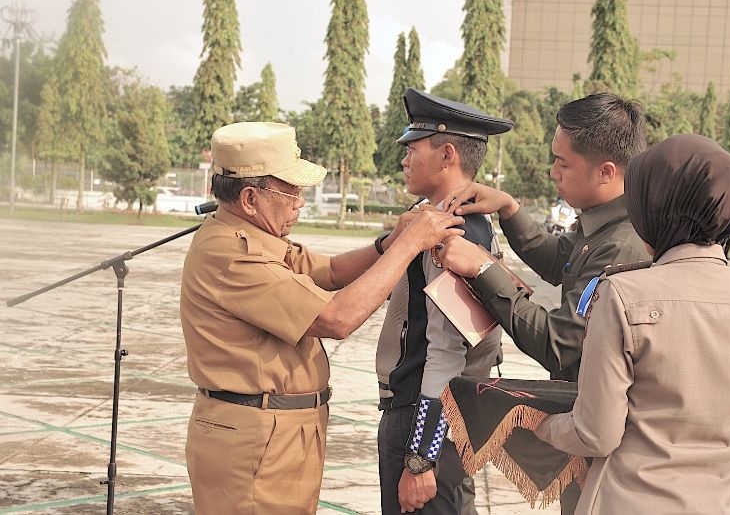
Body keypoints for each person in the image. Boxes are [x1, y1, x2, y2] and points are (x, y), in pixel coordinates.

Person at [180, 122, 464, 515]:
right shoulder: (233, 253)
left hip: (278, 432)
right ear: (249, 197)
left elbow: (328, 272)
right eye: (291, 190)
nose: (300, 202)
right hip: (252, 440)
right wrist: (411, 244)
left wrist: (389, 241)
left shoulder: (257, 236)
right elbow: (336, 318)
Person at [534, 134, 730, 514]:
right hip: (728, 502)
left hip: (631, 500)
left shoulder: (623, 294)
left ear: (655, 209)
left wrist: (537, 424)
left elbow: (597, 434)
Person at [438, 93, 650, 512]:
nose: (552, 172)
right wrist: (510, 209)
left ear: (606, 171)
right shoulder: (604, 224)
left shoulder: (622, 245)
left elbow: (560, 341)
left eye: (562, 163)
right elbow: (560, 259)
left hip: (608, 452)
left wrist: (483, 270)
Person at [375, 88, 513, 514]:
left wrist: (420, 458)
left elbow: (447, 353)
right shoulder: (450, 220)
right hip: (439, 418)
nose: (404, 160)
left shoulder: (451, 231)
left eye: (412, 149)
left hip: (426, 418)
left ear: (447, 154)